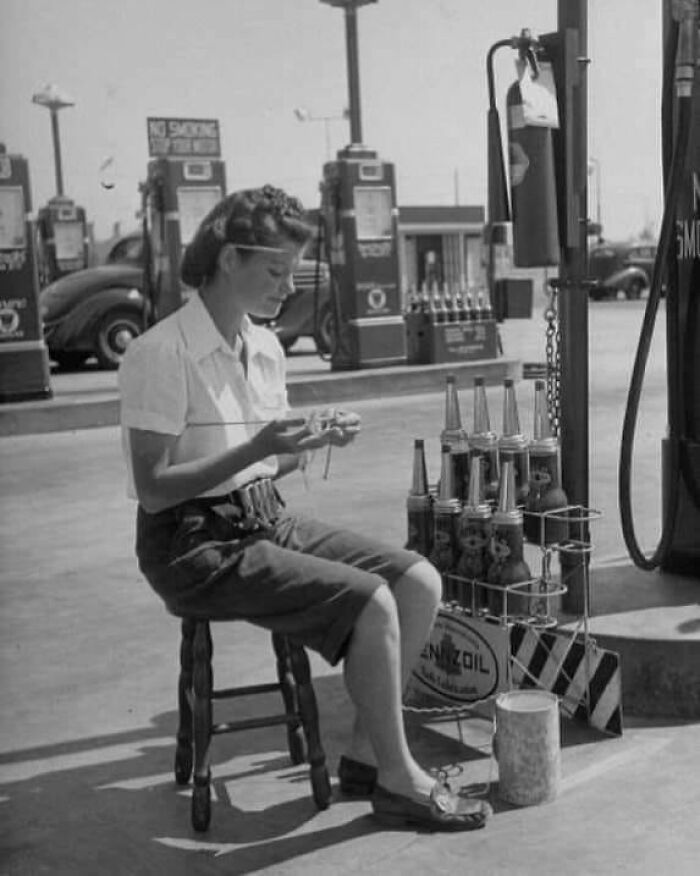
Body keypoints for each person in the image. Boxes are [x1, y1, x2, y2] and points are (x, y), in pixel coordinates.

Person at [118, 184, 492, 831]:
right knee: (372, 603)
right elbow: (154, 488)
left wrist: (312, 441)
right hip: (192, 544)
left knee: (418, 581)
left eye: (293, 271)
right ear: (228, 258)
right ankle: (401, 780)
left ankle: (370, 757)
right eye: (275, 270)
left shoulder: (263, 348)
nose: (289, 286)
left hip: (263, 517)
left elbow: (269, 463)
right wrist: (259, 447)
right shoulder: (160, 352)